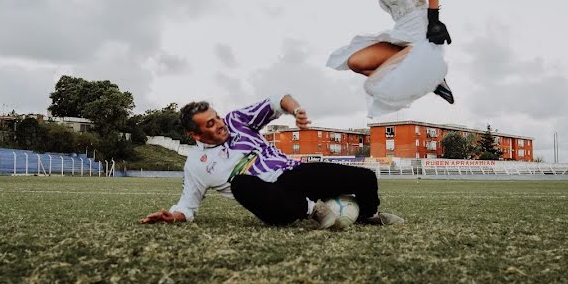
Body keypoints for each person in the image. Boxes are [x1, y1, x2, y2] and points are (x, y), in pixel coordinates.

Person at [139, 94, 404, 229]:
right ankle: (315, 211)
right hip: (272, 201)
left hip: (294, 175)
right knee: (242, 184)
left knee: (366, 178)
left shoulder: (236, 120)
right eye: (211, 124)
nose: (220, 124)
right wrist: (172, 216)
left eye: (217, 117)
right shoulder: (197, 164)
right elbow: (188, 205)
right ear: (195, 134)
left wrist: (296, 110)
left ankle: (368, 216)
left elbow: (277, 100)